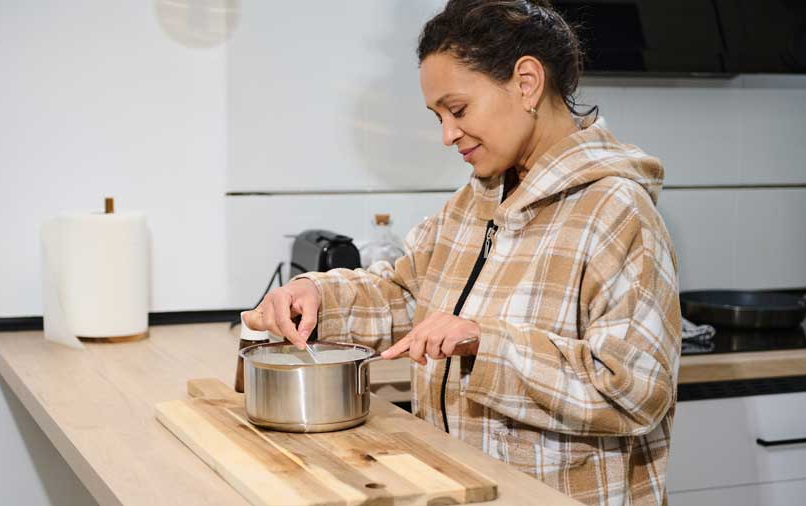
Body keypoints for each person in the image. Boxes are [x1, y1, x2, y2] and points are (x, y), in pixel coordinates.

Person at [243, 1, 681, 504]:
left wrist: (485, 343)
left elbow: (635, 391)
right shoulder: (473, 202)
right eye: (438, 116)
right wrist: (317, 295)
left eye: (458, 109)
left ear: (527, 82)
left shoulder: (616, 211)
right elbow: (408, 292)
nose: (447, 134)